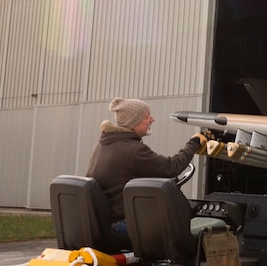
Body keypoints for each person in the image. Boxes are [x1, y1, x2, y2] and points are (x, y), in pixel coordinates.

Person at [87, 98, 203, 236]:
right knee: (182, 225)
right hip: (122, 224)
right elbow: (171, 168)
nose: (152, 119)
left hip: (106, 223)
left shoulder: (104, 145)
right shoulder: (134, 151)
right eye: (147, 117)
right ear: (134, 122)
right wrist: (194, 143)